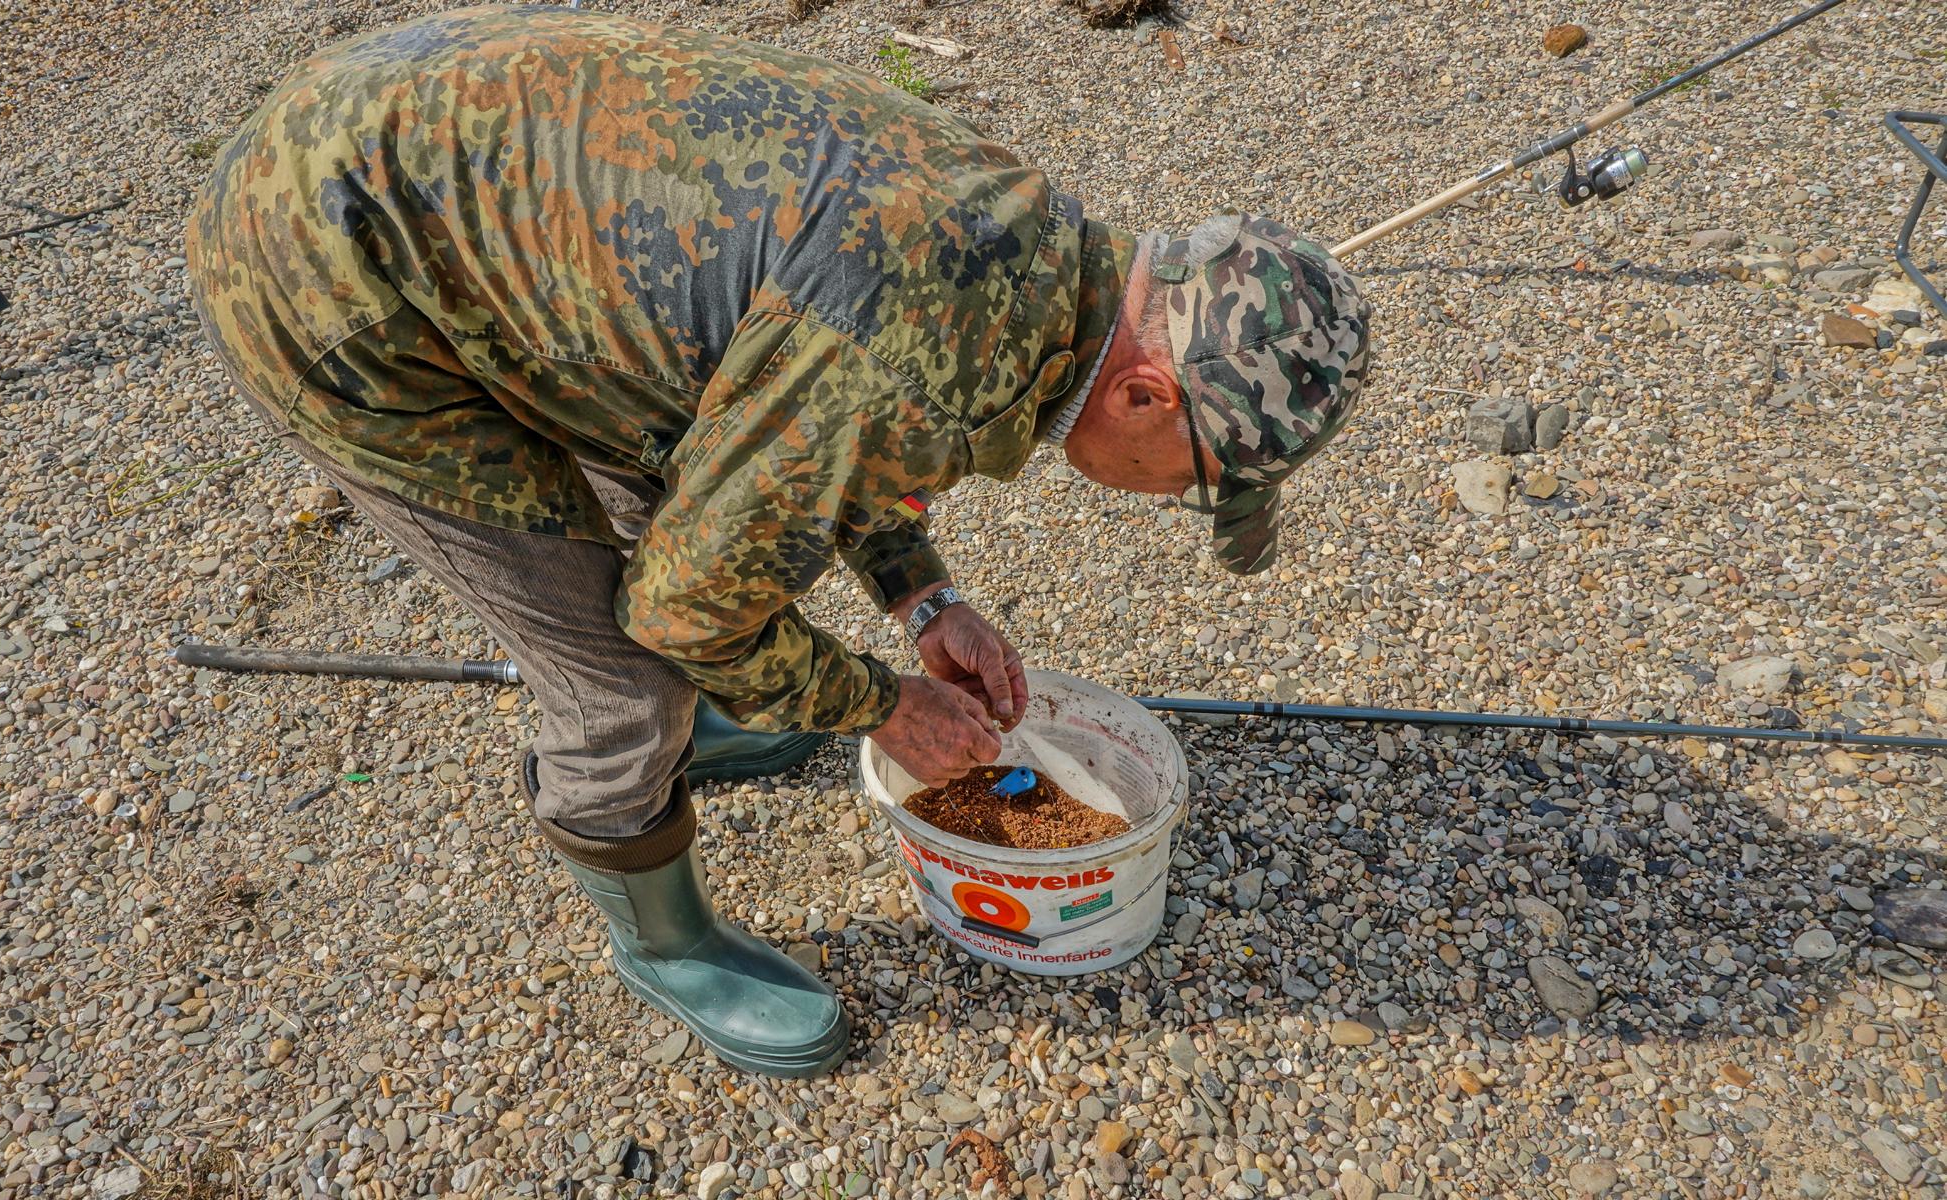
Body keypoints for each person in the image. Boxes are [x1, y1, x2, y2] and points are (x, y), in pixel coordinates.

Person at [187, 4, 1370, 1078]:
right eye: (1195, 484)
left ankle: (704, 727)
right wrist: (878, 705)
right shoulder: (915, 351)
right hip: (330, 272)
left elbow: (801, 409)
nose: (1175, 500)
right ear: (1145, 395)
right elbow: (687, 604)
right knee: (623, 676)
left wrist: (922, 600)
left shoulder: (1026, 247)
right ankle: (667, 943)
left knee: (684, 509)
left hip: (432, 143)